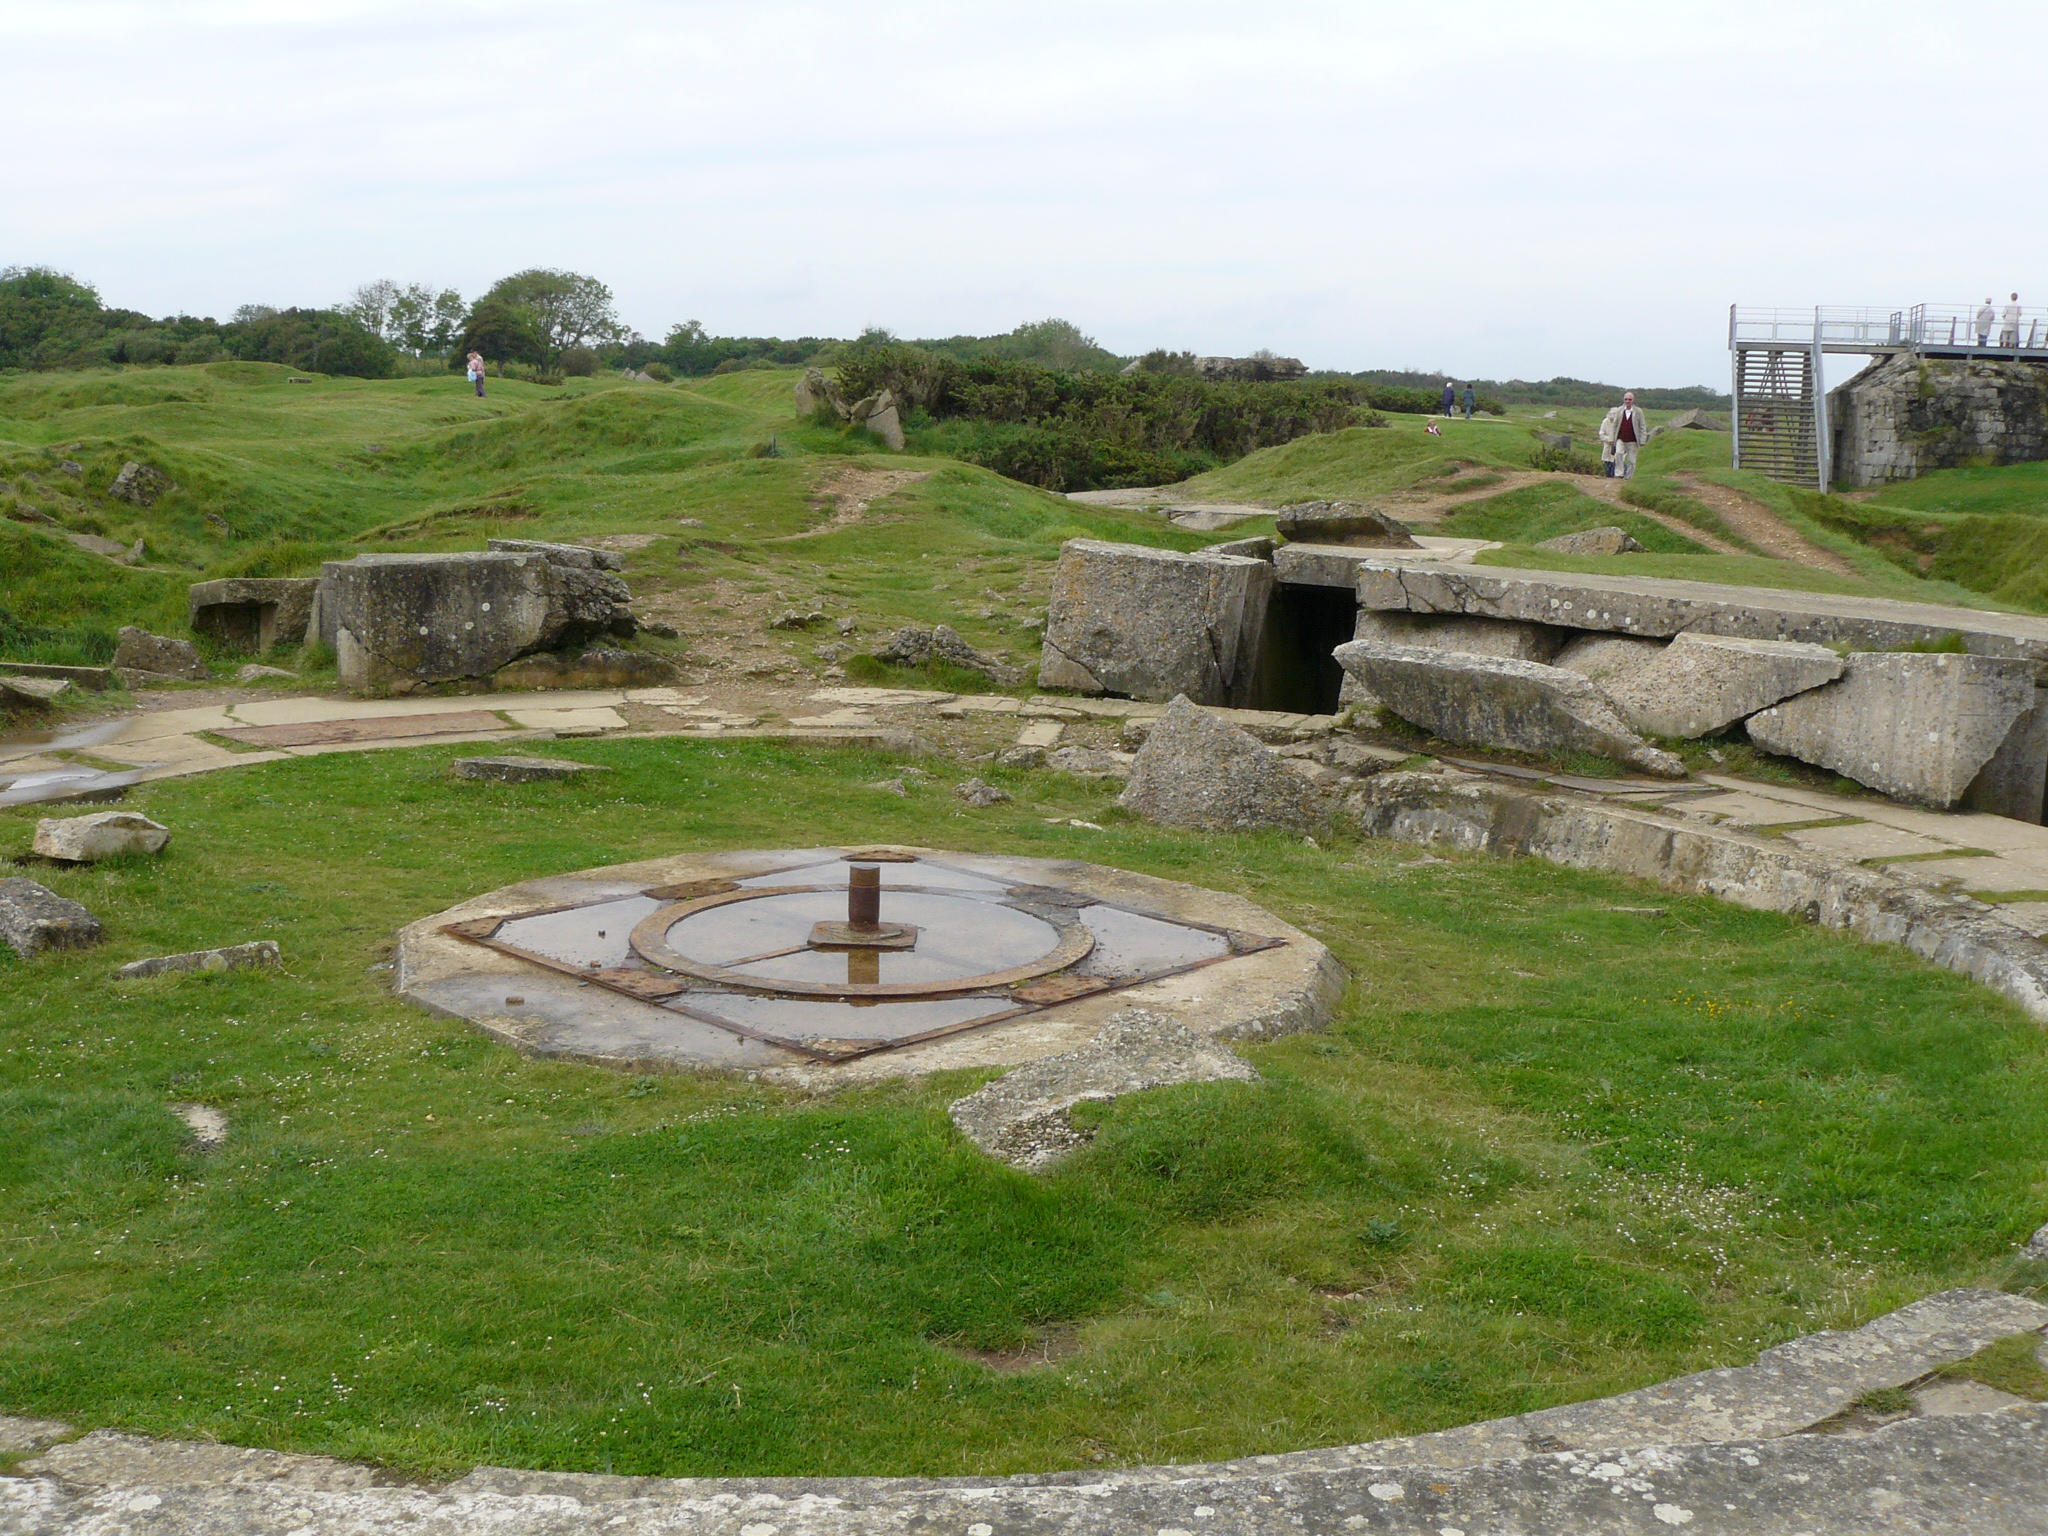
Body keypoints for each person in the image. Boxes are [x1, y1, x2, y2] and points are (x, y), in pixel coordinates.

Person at [1599, 390, 1648, 480]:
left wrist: (1642, 440)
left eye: (1629, 399)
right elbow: (1615, 424)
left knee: (1632, 460)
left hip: (1633, 440)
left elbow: (1642, 426)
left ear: (1633, 400)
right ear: (1623, 400)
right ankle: (1619, 474)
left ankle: (1628, 477)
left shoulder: (1638, 412)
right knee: (1618, 453)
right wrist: (1611, 438)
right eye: (1626, 399)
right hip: (1621, 438)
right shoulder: (1619, 410)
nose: (1627, 401)